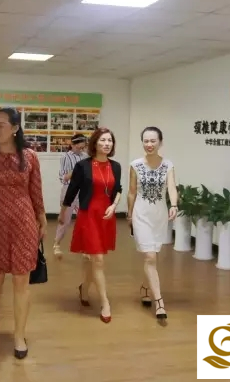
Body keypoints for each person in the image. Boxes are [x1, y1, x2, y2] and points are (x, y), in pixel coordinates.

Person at [0, 107, 46, 359]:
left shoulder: (30, 156)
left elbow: (36, 190)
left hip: (24, 222)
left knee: (20, 280)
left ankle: (19, 335)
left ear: (15, 128)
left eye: (2, 124)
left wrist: (42, 219)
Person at [58, 127, 121, 324]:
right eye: (103, 140)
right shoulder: (83, 166)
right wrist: (63, 211)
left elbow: (118, 189)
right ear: (95, 143)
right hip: (88, 215)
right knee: (98, 259)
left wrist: (114, 205)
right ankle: (105, 303)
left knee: (92, 259)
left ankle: (84, 287)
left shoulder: (115, 166)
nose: (106, 144)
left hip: (106, 216)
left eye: (109, 140)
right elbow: (72, 189)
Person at [126, 127, 178, 321]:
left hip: (159, 216)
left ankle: (146, 287)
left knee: (152, 257)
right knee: (149, 255)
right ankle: (159, 302)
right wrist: (129, 215)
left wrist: (174, 205)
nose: (149, 144)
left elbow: (171, 187)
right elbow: (132, 192)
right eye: (146, 141)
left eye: (153, 141)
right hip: (141, 215)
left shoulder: (168, 165)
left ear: (160, 142)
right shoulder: (135, 165)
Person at [53, 133, 87, 258]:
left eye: (82, 148)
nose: (80, 150)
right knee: (65, 219)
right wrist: (77, 170)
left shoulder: (85, 157)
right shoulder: (65, 157)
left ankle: (85, 247)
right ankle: (57, 244)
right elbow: (64, 177)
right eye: (78, 147)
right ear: (72, 145)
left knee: (84, 219)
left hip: (83, 191)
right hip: (69, 190)